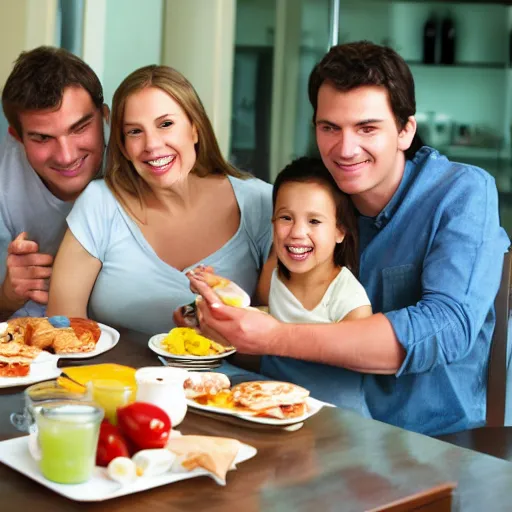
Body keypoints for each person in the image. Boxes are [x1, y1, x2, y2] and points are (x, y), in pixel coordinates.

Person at [188, 41, 510, 436]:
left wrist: (275, 336)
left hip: (433, 441)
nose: (345, 149)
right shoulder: (316, 200)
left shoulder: (462, 193)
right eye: (330, 128)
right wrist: (226, 329)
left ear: (405, 130)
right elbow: (284, 325)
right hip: (314, 425)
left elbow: (446, 328)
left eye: (367, 128)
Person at [46, 65, 272, 334]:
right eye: (134, 132)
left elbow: (286, 318)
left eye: (166, 124)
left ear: (195, 129)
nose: (152, 145)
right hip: (113, 374)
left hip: (234, 376)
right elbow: (61, 328)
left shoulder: (260, 202)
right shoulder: (99, 203)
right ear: (124, 146)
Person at [192, 156, 372, 413]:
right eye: (286, 218)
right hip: (271, 406)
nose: (297, 232)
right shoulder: (272, 275)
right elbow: (254, 351)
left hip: (336, 418)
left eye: (314, 221)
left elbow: (358, 363)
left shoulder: (349, 298)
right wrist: (209, 312)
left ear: (340, 230)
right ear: (273, 223)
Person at [0, 46, 108, 318]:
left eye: (80, 128)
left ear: (105, 116)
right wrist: (8, 295)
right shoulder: (4, 181)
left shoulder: (139, 160)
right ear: (17, 136)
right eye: (43, 138)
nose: (67, 156)